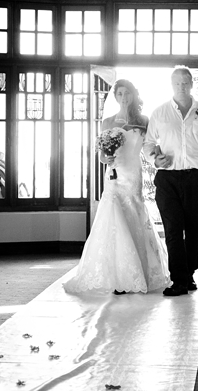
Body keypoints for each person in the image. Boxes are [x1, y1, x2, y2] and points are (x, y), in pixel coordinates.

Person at [63, 79, 169, 295]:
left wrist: (159, 155)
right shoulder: (108, 121)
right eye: (120, 94)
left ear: (133, 95)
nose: (124, 97)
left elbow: (150, 146)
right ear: (115, 96)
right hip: (114, 174)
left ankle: (140, 271)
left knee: (134, 213)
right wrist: (106, 158)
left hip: (133, 173)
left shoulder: (144, 120)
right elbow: (101, 154)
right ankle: (116, 274)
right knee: (113, 215)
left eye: (127, 93)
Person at [143, 67, 198, 297]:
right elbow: (148, 144)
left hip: (197, 178)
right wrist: (154, 160)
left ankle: (189, 273)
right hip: (167, 179)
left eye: (185, 82)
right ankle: (178, 279)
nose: (182, 86)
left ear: (191, 84)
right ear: (172, 85)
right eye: (177, 83)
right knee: (172, 229)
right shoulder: (159, 113)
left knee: (195, 229)